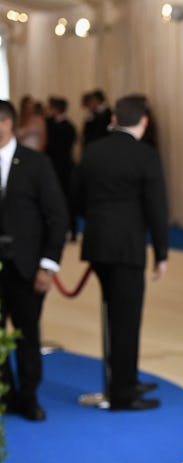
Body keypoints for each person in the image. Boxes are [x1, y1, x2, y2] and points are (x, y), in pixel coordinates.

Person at [73, 95, 168, 411]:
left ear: (114, 118)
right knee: (126, 320)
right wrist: (162, 254)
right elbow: (157, 207)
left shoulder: (93, 150)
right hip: (127, 248)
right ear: (144, 121)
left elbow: (79, 197)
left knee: (115, 316)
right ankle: (123, 393)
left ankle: (125, 378)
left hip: (98, 244)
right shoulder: (146, 155)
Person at [0, 99, 68, 421]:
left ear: (10, 124)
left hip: (26, 268)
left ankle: (28, 397)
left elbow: (57, 216)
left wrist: (48, 265)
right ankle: (3, 393)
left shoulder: (36, 163)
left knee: (28, 335)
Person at [45, 96, 78, 240]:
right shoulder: (49, 123)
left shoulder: (68, 126)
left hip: (63, 168)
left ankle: (72, 230)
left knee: (68, 199)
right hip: (53, 167)